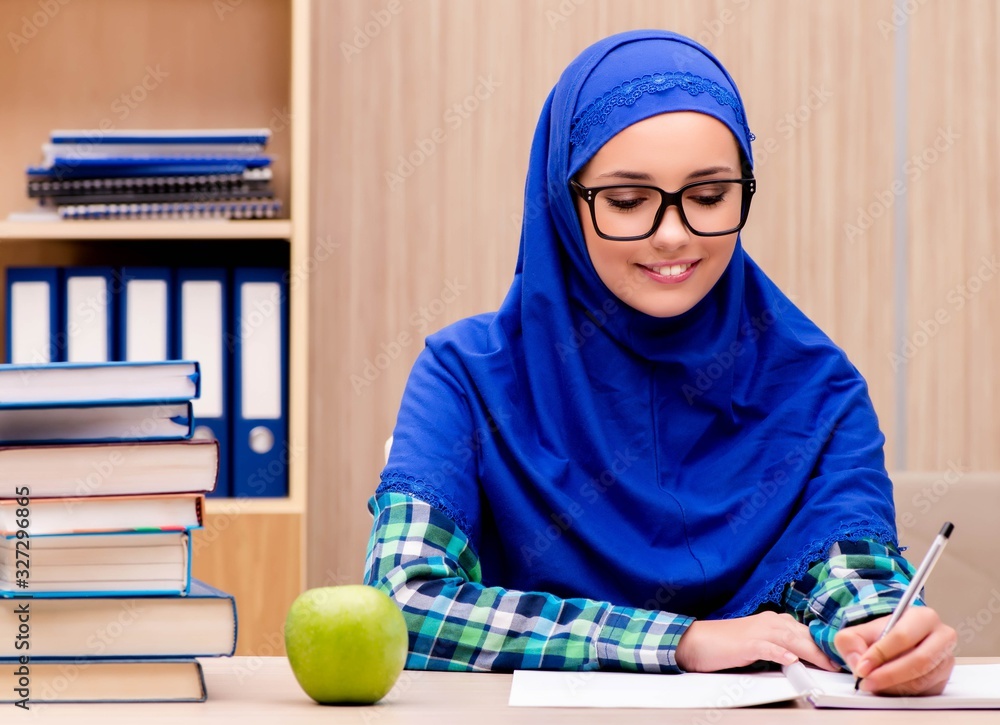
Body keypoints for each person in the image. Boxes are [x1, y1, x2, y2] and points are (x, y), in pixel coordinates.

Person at [364, 29, 956, 695]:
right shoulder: (465, 376)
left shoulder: (819, 389)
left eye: (708, 197)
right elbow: (403, 604)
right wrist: (679, 640)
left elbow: (851, 575)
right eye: (626, 201)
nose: (672, 234)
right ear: (564, 201)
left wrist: (885, 632)